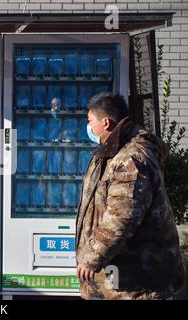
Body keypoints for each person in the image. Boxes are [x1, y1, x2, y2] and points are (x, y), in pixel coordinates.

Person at [76, 92, 186, 300]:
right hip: (125, 277)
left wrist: (92, 256)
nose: (88, 127)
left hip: (140, 282)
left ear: (106, 122)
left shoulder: (130, 158)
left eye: (90, 121)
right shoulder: (113, 150)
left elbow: (122, 216)